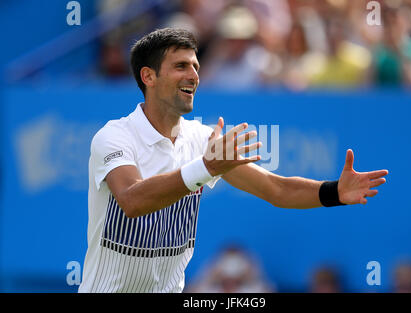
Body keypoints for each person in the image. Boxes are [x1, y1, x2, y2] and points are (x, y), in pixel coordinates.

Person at [78, 28, 388, 293]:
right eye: (181, 66)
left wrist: (334, 192)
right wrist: (206, 168)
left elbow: (275, 189)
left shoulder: (202, 139)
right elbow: (132, 200)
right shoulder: (114, 137)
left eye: (196, 66)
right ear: (149, 76)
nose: (194, 76)